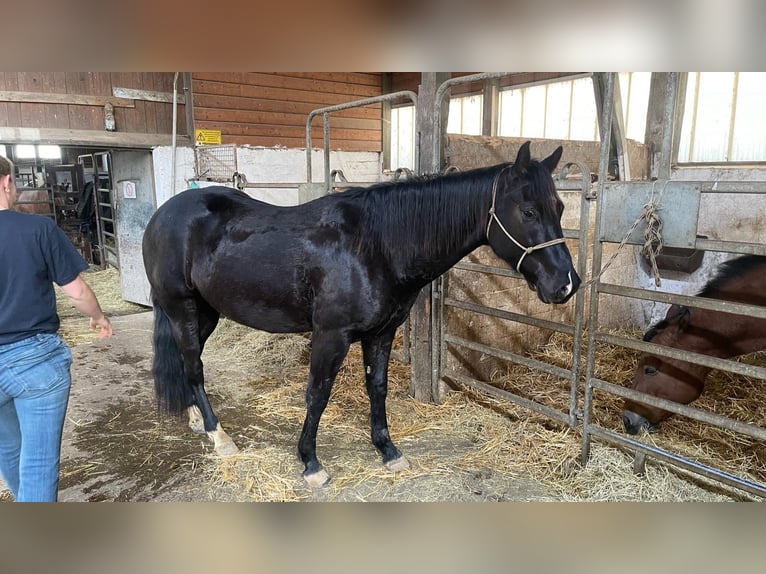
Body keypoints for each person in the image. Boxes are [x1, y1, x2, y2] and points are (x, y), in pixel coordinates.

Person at [0, 155, 113, 502]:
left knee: (8, 450)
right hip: (33, 359)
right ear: (5, 183)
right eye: (15, 181)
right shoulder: (38, 230)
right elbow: (76, 291)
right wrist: (98, 316)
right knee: (37, 463)